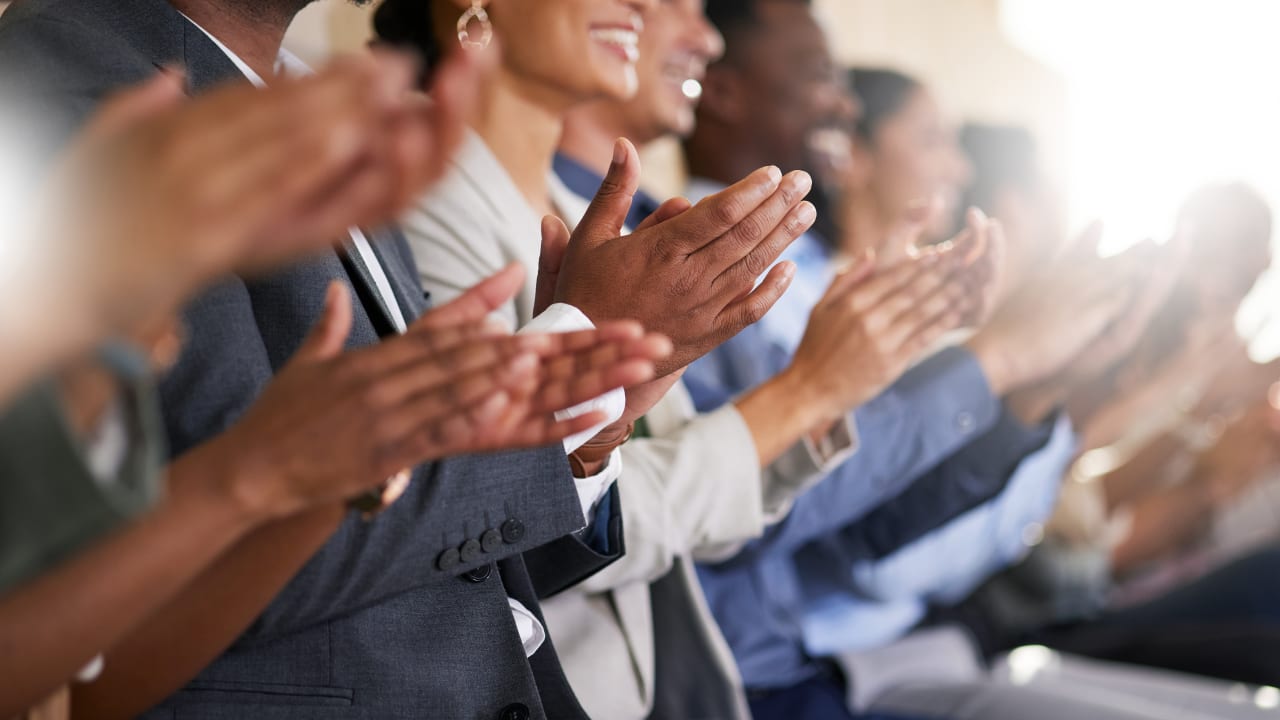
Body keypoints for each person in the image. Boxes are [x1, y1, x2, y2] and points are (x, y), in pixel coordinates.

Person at [0, 1, 676, 718]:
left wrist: (582, 437)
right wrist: (559, 386)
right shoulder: (71, 78)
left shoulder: (310, 99)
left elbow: (438, 564)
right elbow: (214, 559)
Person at [679, 2, 1222, 718]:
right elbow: (859, 545)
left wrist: (1053, 387)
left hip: (864, 653)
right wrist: (1013, 369)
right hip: (810, 668)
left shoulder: (815, 276)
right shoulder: (736, 273)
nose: (956, 165)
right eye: (933, 139)